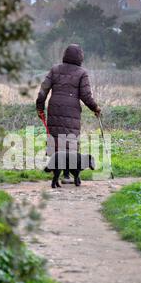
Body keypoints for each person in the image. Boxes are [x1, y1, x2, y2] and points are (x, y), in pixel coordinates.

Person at [36, 44, 101, 184]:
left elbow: (43, 91)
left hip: (55, 108)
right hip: (72, 111)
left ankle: (56, 175)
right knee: (70, 141)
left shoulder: (55, 69)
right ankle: (66, 176)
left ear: (65, 55)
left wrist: (40, 107)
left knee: (56, 140)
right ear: (80, 57)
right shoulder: (82, 73)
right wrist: (95, 108)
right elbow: (86, 96)